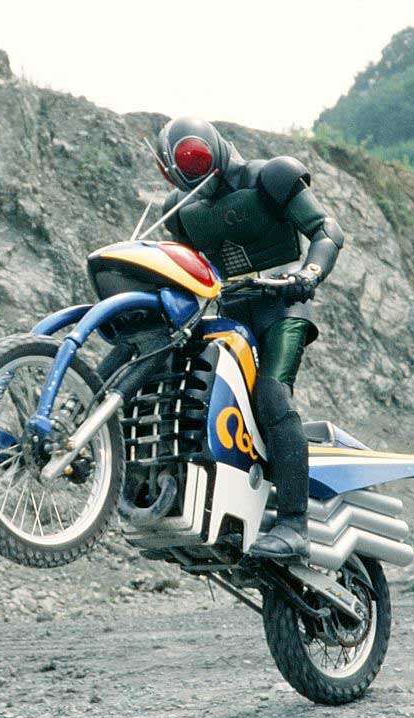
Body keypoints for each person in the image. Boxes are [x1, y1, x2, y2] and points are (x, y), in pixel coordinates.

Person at [153, 116, 344, 561]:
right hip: (230, 313)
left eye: (195, 157)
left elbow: (326, 229)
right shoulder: (181, 211)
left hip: (283, 305)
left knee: (272, 395)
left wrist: (310, 273)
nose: (192, 170)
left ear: (212, 148)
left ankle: (295, 525)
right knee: (194, 395)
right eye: (183, 165)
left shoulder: (272, 177)